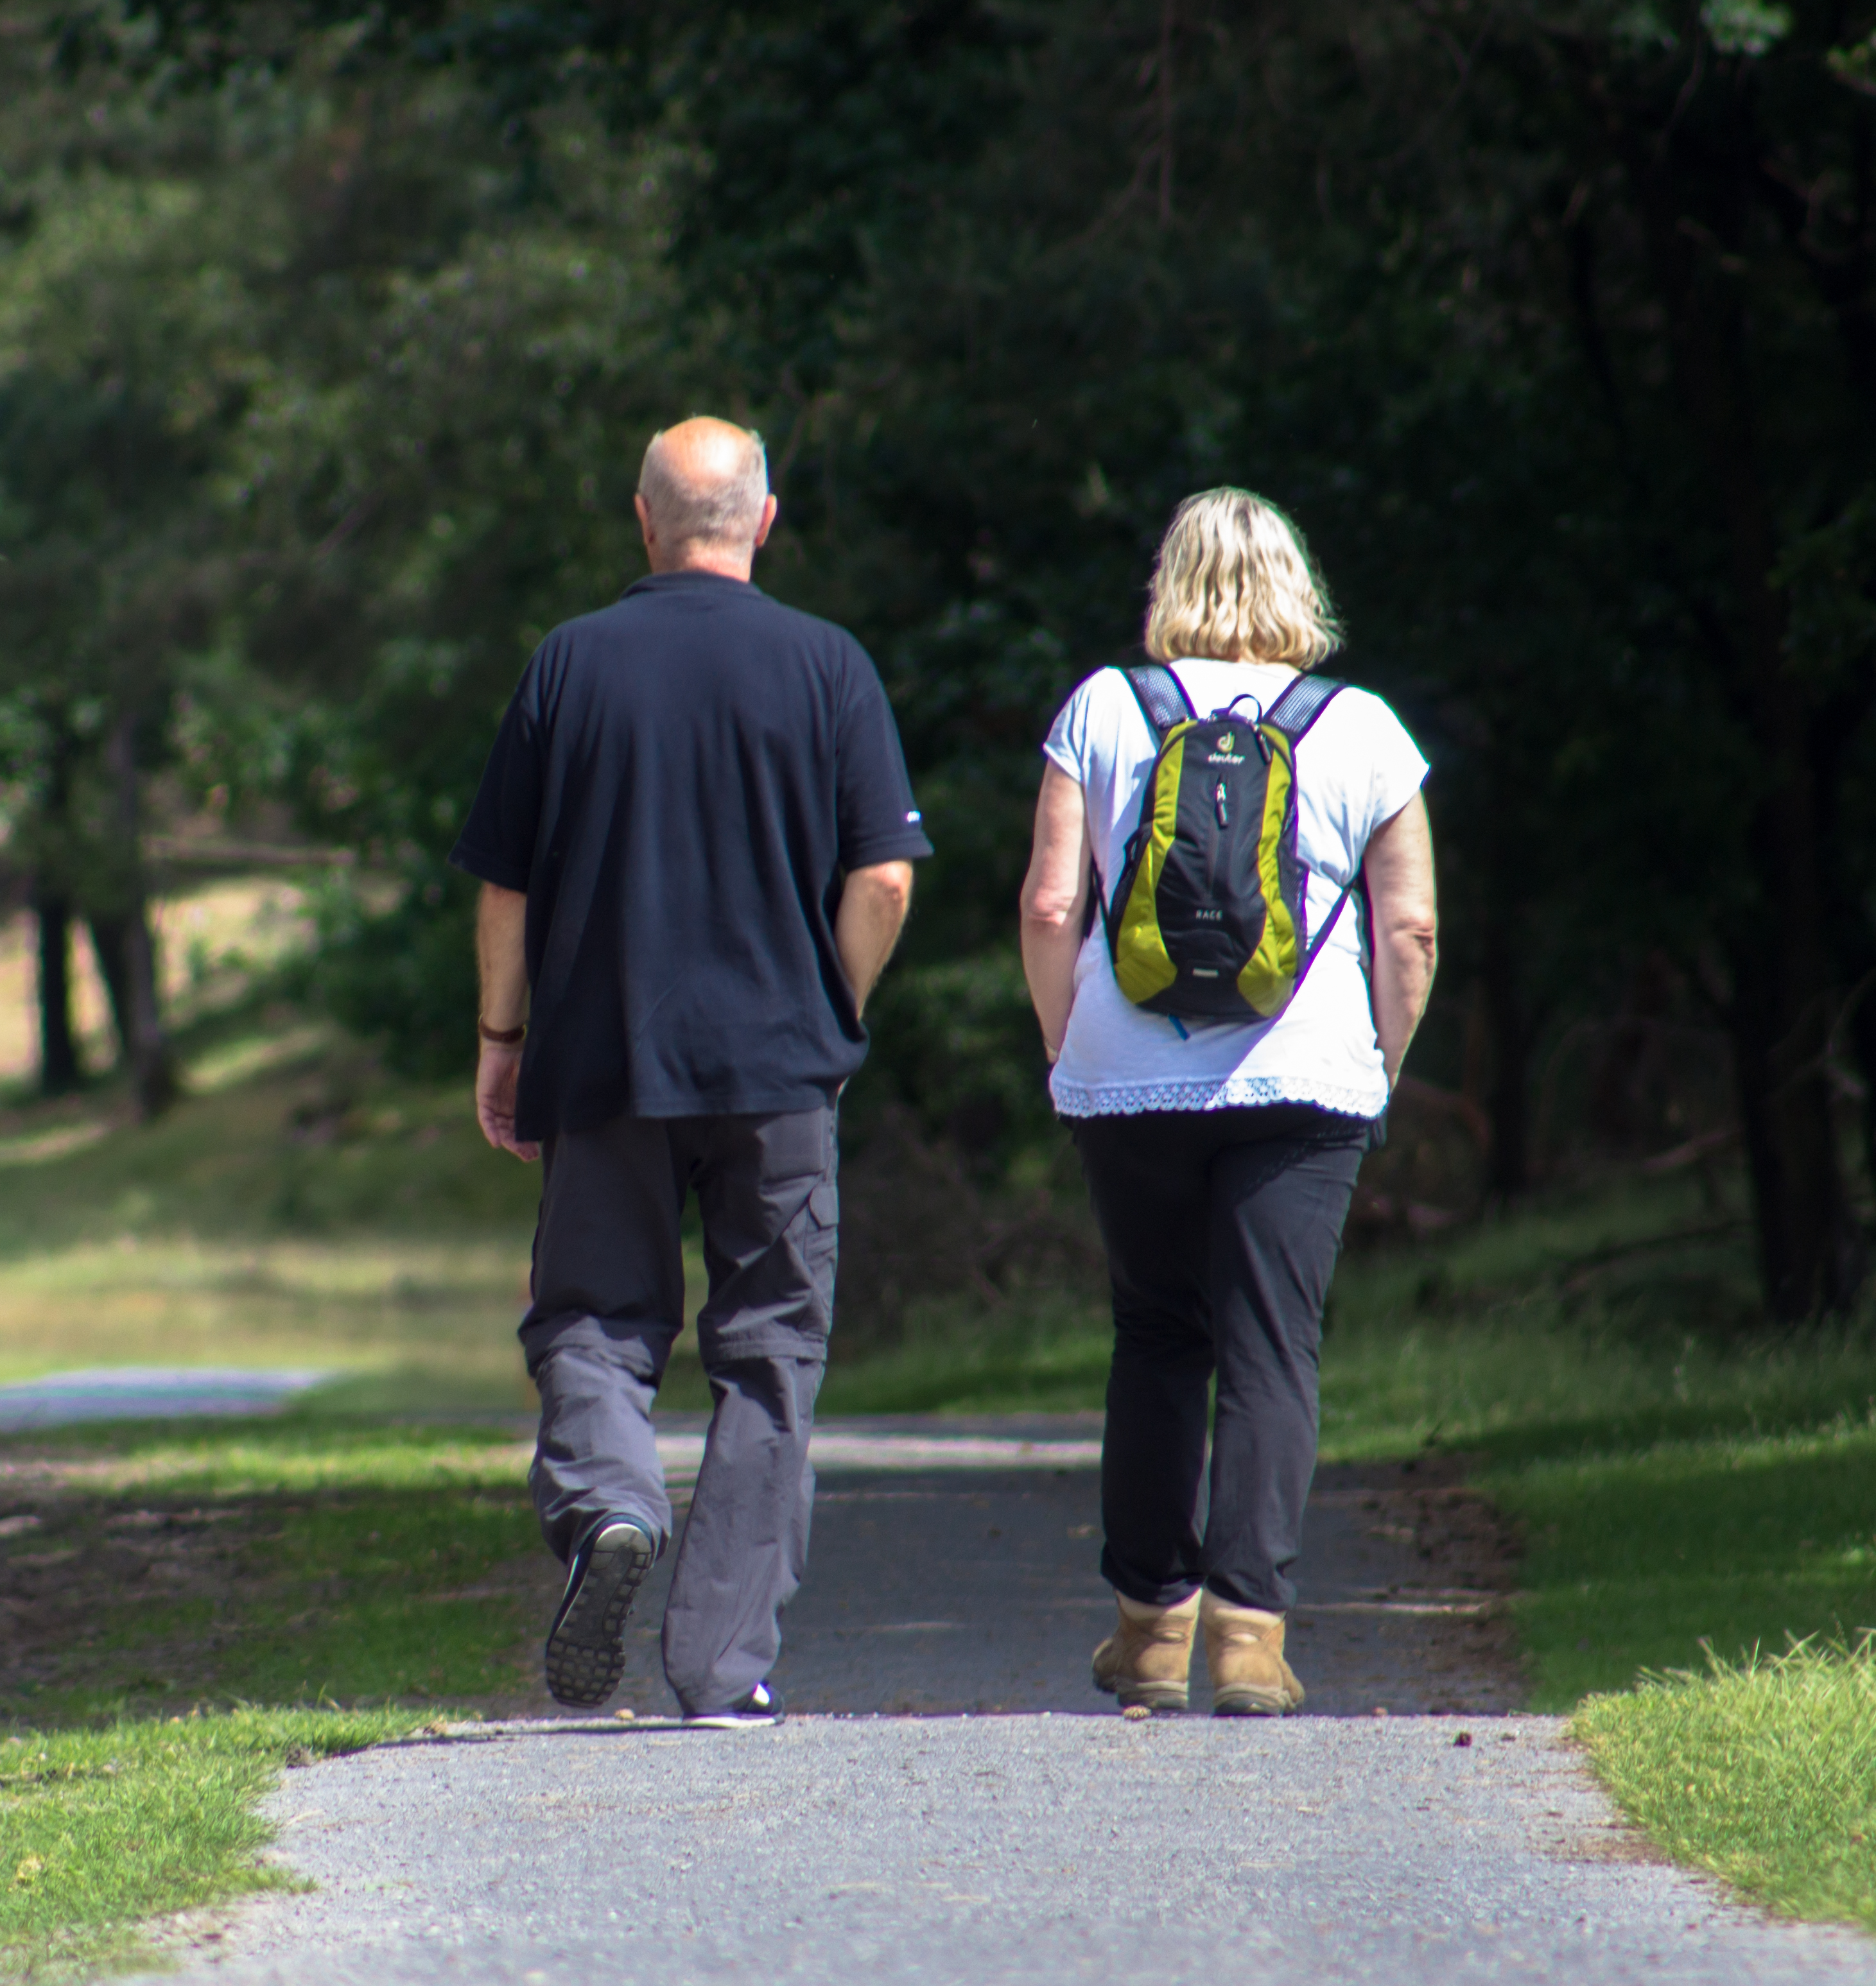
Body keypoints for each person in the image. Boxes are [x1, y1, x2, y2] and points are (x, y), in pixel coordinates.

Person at [453, 417, 928, 1726]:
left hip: (603, 1054)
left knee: (593, 1317)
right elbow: (882, 876)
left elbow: (508, 888)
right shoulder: (827, 665)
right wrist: (830, 1008)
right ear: (762, 521)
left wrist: (504, 1041)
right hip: (779, 1068)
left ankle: (610, 1501)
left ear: (642, 518)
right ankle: (720, 1668)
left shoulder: (569, 665)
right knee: (769, 1351)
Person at [1017, 487, 1439, 1715]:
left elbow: (1052, 905)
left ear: (1170, 584)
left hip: (1126, 1073)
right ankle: (1249, 1637)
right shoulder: (1360, 726)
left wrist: (1065, 1044)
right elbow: (1406, 926)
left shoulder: (1104, 707)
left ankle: (1148, 1627)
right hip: (1304, 1078)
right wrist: (1379, 1063)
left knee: (1156, 1334)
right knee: (1272, 1345)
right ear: (1297, 588)